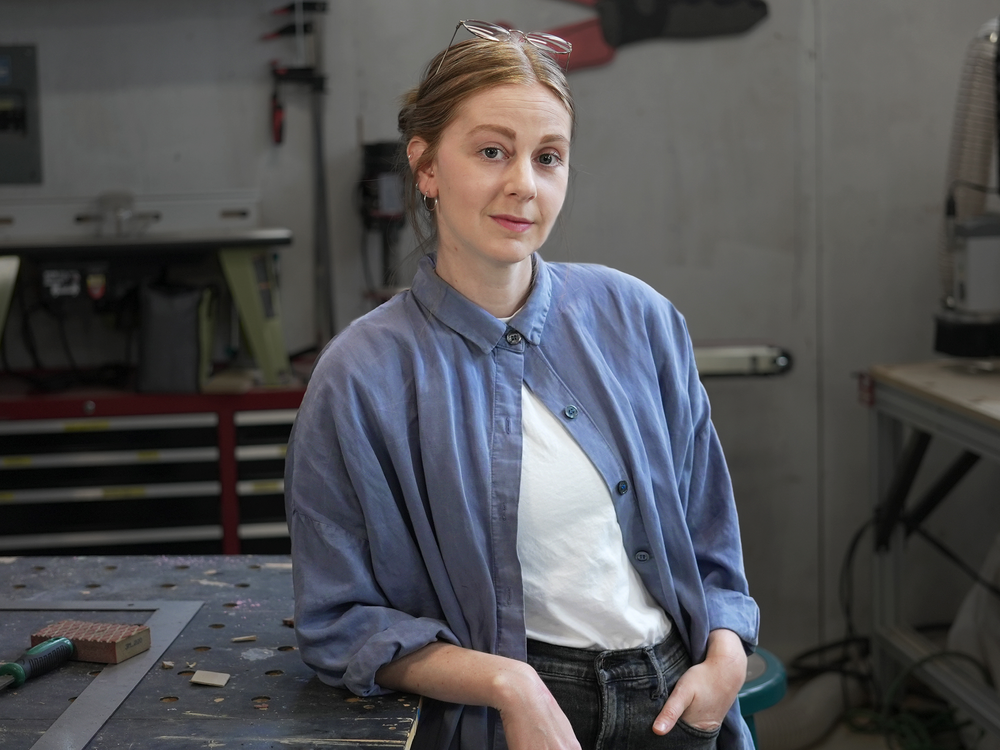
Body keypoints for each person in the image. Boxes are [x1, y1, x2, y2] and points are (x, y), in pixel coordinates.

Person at [285, 19, 759, 750]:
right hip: (517, 721)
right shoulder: (361, 377)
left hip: (678, 703)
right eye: (491, 152)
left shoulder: (639, 318)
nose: (523, 185)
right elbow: (339, 622)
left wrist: (726, 654)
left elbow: (710, 535)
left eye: (548, 157)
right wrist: (509, 685)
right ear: (426, 166)